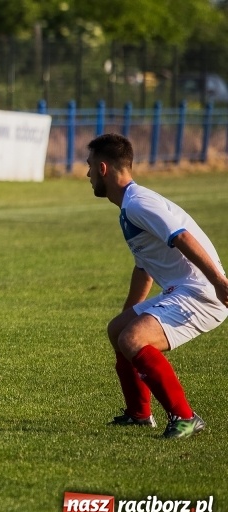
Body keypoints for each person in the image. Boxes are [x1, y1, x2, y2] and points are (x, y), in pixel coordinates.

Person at [86, 132, 228, 438]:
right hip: (185, 288)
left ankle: (186, 418)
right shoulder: (131, 205)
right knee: (118, 331)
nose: (86, 174)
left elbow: (181, 237)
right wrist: (129, 313)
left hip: (201, 293)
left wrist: (219, 282)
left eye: (89, 166)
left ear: (103, 169)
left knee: (133, 340)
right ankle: (139, 414)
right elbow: (144, 266)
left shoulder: (138, 204)